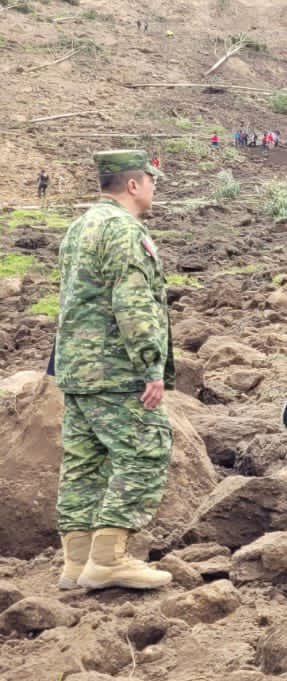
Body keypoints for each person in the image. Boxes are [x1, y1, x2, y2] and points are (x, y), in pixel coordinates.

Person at [51, 149, 174, 592]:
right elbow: (133, 302)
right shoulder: (125, 231)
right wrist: (150, 366)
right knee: (146, 450)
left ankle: (76, 562)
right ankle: (108, 559)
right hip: (114, 369)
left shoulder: (79, 226)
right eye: (151, 181)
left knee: (83, 464)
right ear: (134, 185)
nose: (155, 188)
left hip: (76, 368)